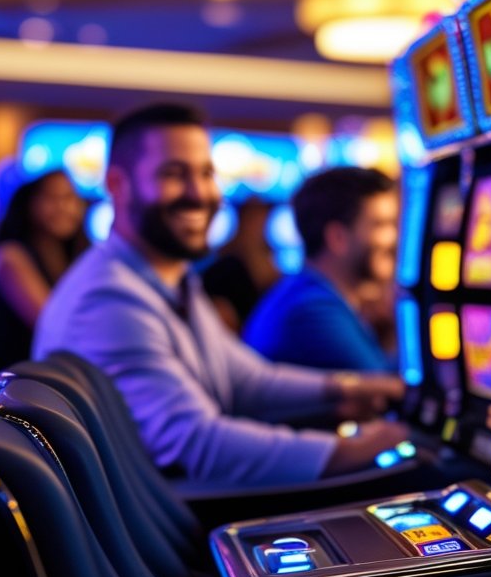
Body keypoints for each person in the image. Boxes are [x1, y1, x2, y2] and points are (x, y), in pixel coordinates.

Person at [33, 103, 408, 487]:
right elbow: (197, 445)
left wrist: (360, 388)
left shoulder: (170, 280)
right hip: (173, 526)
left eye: (206, 173)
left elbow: (247, 381)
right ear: (117, 185)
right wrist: (359, 448)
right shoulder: (109, 299)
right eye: (174, 174)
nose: (199, 194)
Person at [244, 167, 398, 373]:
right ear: (337, 238)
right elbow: (388, 391)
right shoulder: (312, 310)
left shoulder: (309, 293)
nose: (395, 238)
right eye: (381, 225)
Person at [0, 169, 88, 375]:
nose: (64, 208)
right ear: (30, 203)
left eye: (70, 198)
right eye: (52, 198)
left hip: (48, 384)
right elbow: (53, 326)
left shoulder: (73, 258)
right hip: (8, 388)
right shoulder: (10, 256)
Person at [201, 196, 279, 333]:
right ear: (243, 220)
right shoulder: (227, 266)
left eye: (264, 219)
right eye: (255, 219)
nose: (261, 225)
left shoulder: (269, 257)